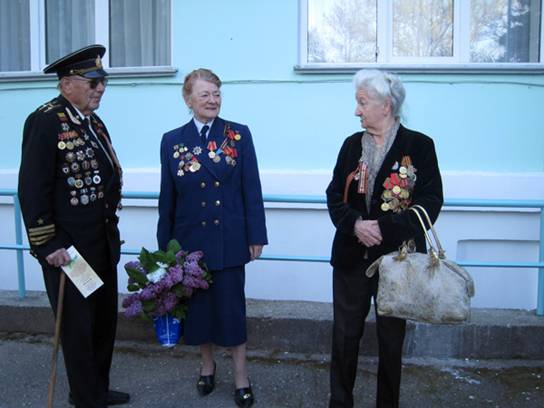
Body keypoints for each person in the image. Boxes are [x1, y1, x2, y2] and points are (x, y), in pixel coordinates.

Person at [18, 45, 129, 408]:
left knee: (102, 324)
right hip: (68, 250)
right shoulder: (46, 120)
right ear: (67, 84)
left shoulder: (93, 122)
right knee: (78, 329)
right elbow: (33, 188)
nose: (100, 88)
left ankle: (96, 387)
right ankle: (85, 397)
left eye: (103, 81)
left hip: (100, 242)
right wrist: (48, 243)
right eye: (93, 81)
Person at [326, 69, 443, 408]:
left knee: (391, 343)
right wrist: (356, 225)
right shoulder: (351, 145)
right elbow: (334, 196)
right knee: (344, 338)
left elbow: (431, 201)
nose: (356, 111)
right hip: (351, 258)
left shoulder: (419, 146)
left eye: (362, 103)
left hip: (399, 262)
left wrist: (384, 229)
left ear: (386, 105)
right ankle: (340, 403)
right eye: (357, 103)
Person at [157, 68, 268, 407]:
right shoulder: (172, 140)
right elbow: (168, 199)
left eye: (216, 93)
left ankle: (240, 376)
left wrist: (256, 234)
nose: (212, 100)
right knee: (199, 313)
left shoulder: (237, 135)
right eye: (204, 94)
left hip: (230, 237)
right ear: (188, 99)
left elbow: (252, 187)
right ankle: (207, 366)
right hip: (189, 242)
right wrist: (166, 249)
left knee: (232, 311)